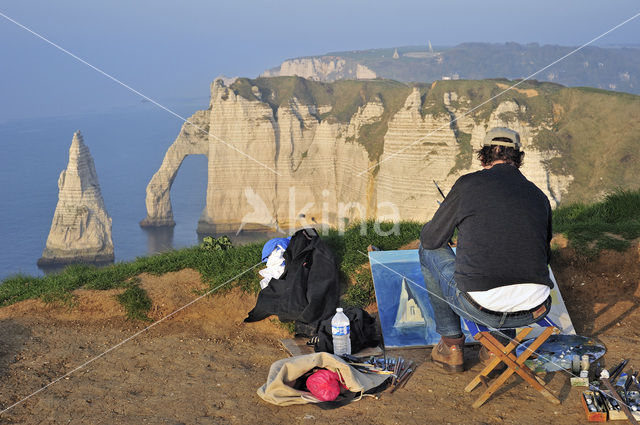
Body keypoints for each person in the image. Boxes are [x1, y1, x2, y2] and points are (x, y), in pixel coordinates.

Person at [419, 127, 553, 373]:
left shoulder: (468, 184)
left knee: (427, 251)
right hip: (535, 308)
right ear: (519, 159)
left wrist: (453, 226)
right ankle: (498, 348)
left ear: (483, 157)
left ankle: (451, 346)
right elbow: (544, 255)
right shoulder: (539, 196)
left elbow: (430, 239)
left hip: (481, 307)